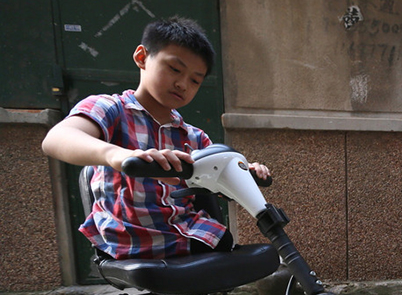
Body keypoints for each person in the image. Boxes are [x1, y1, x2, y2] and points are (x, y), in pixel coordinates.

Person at [42, 16, 269, 260]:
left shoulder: (194, 137)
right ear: (142, 58)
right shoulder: (111, 109)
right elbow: (56, 138)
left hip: (189, 234)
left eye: (195, 80)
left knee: (245, 249)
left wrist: (245, 173)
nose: (183, 84)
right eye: (174, 69)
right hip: (130, 237)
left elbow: (221, 182)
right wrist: (120, 155)